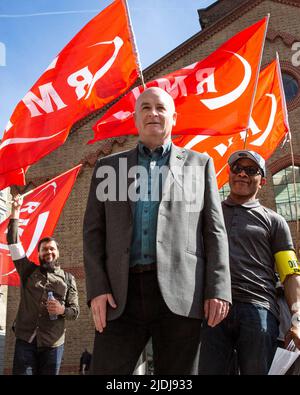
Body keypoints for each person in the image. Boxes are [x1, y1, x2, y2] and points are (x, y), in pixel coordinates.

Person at [83, 86, 231, 375]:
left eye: (161, 108)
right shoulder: (107, 167)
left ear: (173, 117)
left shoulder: (200, 165)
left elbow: (214, 230)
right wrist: (97, 289)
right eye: (146, 107)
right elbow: (92, 233)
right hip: (120, 296)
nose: (154, 113)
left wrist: (218, 287)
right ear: (136, 119)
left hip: (181, 295)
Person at [199, 150, 300, 375]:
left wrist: (297, 320)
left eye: (251, 170)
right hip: (214, 309)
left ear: (262, 181)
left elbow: (291, 274)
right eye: (237, 168)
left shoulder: (276, 221)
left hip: (259, 310)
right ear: (229, 173)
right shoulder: (207, 215)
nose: (242, 174)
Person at [7, 194, 80, 375]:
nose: (48, 252)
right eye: (44, 249)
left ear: (57, 253)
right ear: (39, 253)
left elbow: (75, 311)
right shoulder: (27, 270)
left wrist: (62, 310)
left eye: (52, 249)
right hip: (25, 341)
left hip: (53, 345)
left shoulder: (69, 279)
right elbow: (13, 242)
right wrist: (15, 211)